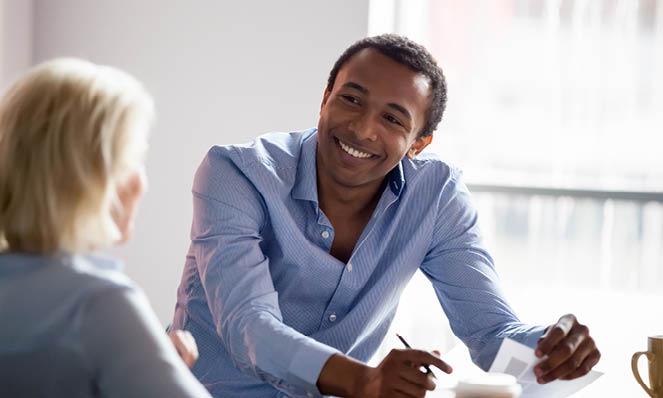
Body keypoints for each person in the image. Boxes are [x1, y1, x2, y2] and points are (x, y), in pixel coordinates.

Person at [172, 34, 600, 398]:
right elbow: (250, 330)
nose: (361, 129)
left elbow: (490, 333)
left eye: (393, 119)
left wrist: (550, 346)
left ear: (419, 143)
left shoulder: (437, 197)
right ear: (325, 99)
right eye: (351, 99)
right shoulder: (236, 173)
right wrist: (365, 379)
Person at [0, 58, 211, 397]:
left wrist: (138, 362)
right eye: (136, 159)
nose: (142, 182)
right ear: (93, 179)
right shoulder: (98, 304)